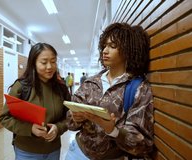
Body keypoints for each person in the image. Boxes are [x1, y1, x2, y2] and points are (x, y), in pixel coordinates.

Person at [65, 23, 154, 160]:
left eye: (112, 46)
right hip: (77, 152)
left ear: (127, 50)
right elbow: (69, 123)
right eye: (104, 46)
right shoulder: (91, 83)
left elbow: (142, 144)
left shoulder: (138, 88)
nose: (105, 51)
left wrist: (113, 130)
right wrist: (76, 118)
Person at [0, 42, 71, 160]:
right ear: (33, 63)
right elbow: (5, 118)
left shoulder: (61, 88)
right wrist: (30, 128)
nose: (49, 66)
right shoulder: (22, 87)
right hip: (26, 151)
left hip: (53, 150)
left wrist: (59, 128)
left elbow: (69, 116)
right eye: (44, 62)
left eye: (53, 61)